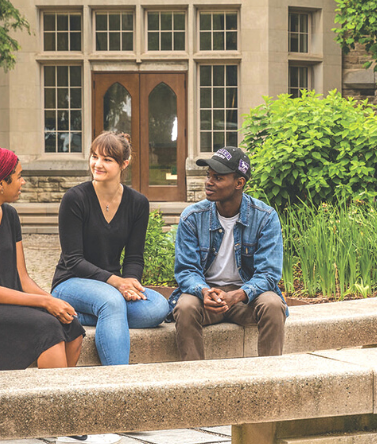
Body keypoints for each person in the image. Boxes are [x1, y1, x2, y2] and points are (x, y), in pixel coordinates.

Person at [0, 145, 120, 444]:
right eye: (19, 177)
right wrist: (45, 303)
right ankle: (67, 425)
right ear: (0, 183)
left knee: (70, 324)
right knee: (46, 327)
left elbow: (21, 278)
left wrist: (55, 302)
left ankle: (50, 410)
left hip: (2, 294)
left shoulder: (8, 215)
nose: (23, 183)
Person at [51, 131, 170, 369]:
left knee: (159, 307)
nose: (97, 164)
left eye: (107, 159)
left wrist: (131, 282)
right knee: (111, 301)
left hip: (111, 288)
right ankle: (118, 384)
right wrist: (117, 283)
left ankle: (90, 314)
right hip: (72, 282)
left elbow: (134, 256)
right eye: (94, 156)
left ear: (124, 164)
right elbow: (74, 260)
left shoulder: (137, 203)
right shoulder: (74, 199)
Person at [170, 146, 288, 360]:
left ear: (239, 183)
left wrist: (238, 295)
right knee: (185, 307)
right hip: (207, 297)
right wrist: (204, 292)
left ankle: (270, 380)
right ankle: (195, 381)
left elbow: (269, 274)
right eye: (209, 176)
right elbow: (186, 271)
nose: (209, 182)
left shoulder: (265, 217)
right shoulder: (193, 217)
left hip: (246, 298)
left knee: (272, 304)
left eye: (218, 177)